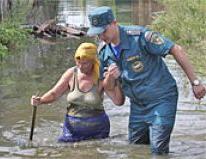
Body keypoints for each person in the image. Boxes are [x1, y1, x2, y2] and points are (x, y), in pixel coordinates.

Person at [87, 6, 206, 155]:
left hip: (162, 99)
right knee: (136, 149)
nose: (102, 36)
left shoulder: (140, 37)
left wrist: (195, 83)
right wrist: (110, 79)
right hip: (138, 106)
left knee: (158, 150)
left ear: (114, 23)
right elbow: (116, 98)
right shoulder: (104, 53)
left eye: (104, 31)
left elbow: (176, 49)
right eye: (98, 34)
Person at [31, 42, 124, 142]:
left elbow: (118, 101)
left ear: (93, 61)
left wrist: (116, 80)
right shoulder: (71, 73)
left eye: (84, 63)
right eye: (78, 62)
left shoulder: (101, 76)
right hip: (72, 130)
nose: (80, 66)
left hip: (97, 129)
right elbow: (54, 94)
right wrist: (41, 100)